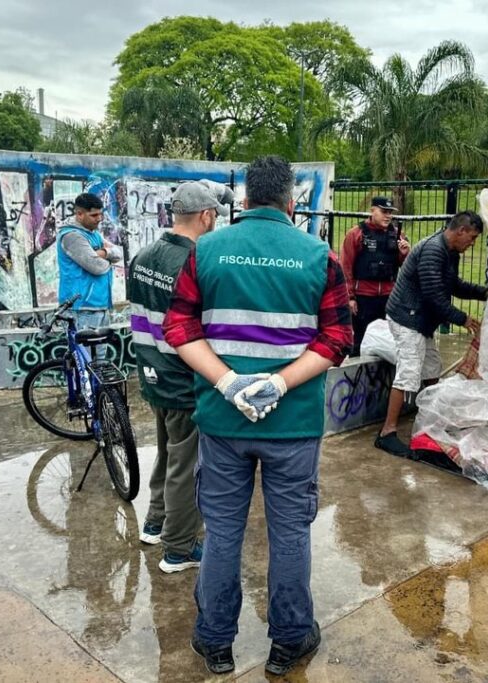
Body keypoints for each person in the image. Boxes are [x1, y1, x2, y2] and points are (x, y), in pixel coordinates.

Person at [163, 155, 352, 676]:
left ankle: (215, 642)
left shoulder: (206, 252)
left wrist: (227, 382)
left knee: (222, 532)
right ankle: (290, 641)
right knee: (290, 532)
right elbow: (337, 337)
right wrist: (279, 382)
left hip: (222, 425)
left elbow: (178, 329)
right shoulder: (319, 256)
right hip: (293, 426)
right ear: (292, 201)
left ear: (244, 199)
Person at [129, 180, 234, 574]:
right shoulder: (196, 262)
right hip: (183, 379)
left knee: (167, 455)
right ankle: (179, 547)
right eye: (214, 218)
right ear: (206, 216)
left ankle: (155, 524)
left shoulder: (143, 256)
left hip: (151, 371)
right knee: (187, 467)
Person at [375, 211, 488, 457]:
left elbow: (453, 285)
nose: (472, 244)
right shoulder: (433, 250)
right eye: (472, 238)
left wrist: (485, 293)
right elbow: (434, 296)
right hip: (407, 318)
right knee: (409, 373)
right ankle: (387, 433)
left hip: (420, 321)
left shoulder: (450, 252)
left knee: (433, 367)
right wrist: (464, 319)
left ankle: (431, 419)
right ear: (460, 231)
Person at [339, 196, 410, 355]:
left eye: (390, 212)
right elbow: (345, 267)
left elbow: (404, 268)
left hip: (389, 298)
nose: (388, 216)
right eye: (384, 211)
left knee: (387, 341)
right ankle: (357, 376)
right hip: (363, 298)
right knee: (360, 341)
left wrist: (404, 254)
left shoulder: (398, 234)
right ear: (372, 211)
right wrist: (350, 298)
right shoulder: (356, 234)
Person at [57, 192, 122, 330]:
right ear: (79, 214)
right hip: (81, 308)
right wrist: (108, 261)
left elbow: (118, 254)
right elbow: (96, 266)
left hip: (99, 305)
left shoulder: (93, 234)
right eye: (94, 215)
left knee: (100, 352)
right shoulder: (72, 236)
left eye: (100, 214)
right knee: (83, 352)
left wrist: (103, 253)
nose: (99, 219)